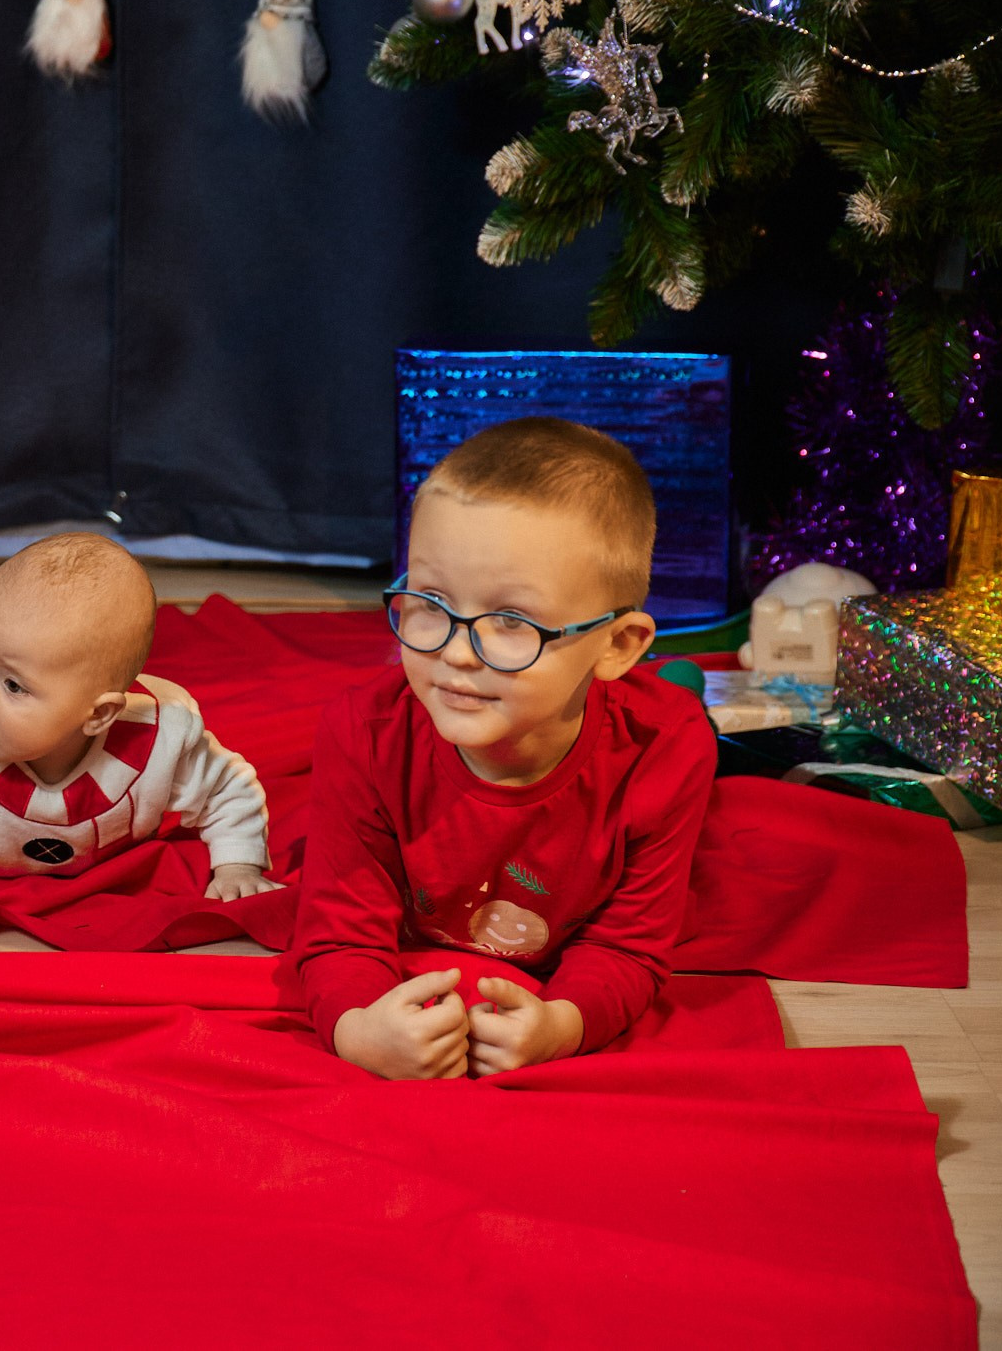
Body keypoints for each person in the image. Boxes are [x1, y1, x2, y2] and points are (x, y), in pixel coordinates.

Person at [290, 417, 715, 1080]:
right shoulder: (363, 732)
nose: (456, 652)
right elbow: (338, 929)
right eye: (430, 600)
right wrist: (359, 1029)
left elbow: (630, 944)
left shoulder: (668, 749)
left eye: (512, 621)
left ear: (617, 645)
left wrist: (564, 1024)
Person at [0, 533, 275, 923]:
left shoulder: (160, 737)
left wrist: (237, 863)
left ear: (99, 715)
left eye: (13, 685)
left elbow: (227, 789)